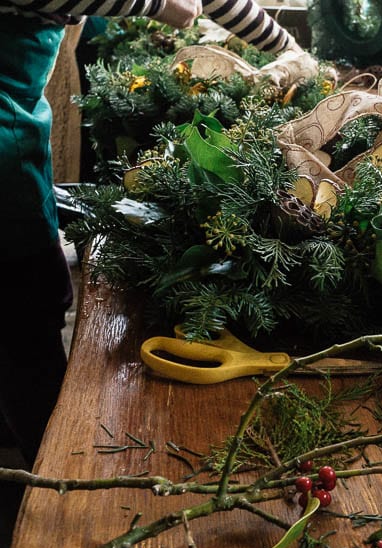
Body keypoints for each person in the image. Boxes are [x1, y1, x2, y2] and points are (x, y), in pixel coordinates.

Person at [0, 0, 314, 468]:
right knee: (30, 302)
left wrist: (289, 51)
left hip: (17, 124)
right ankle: (50, 471)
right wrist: (158, 4)